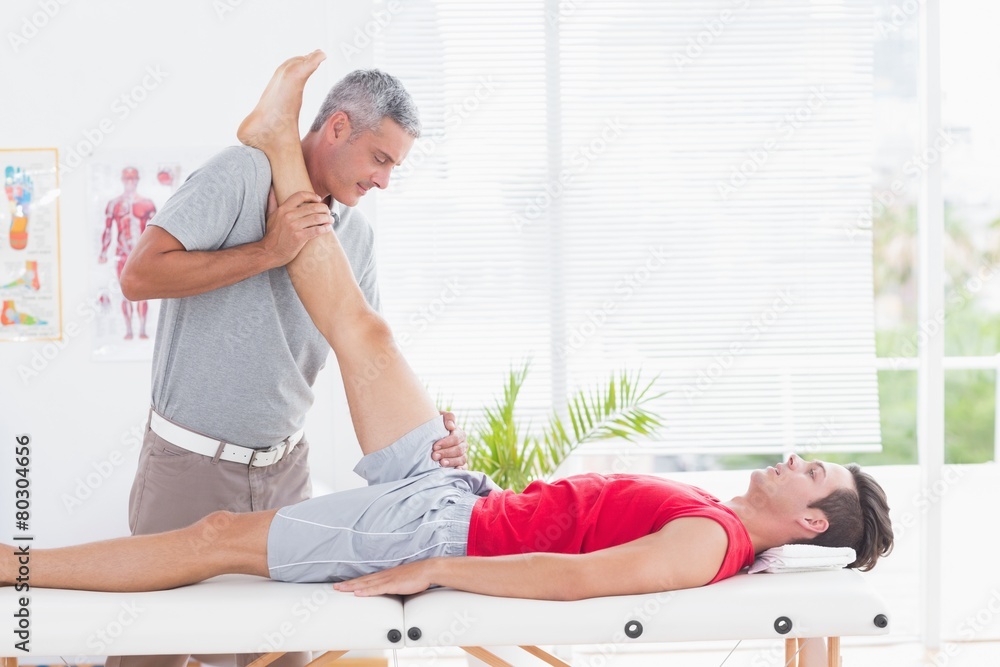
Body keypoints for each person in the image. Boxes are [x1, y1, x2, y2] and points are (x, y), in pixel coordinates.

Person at [2, 52, 893, 608]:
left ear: (811, 519)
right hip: (463, 496)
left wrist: (435, 569)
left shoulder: (715, 540)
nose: (794, 457)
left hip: (440, 534)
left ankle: (14, 565)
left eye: (811, 470)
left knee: (213, 542)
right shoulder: (719, 514)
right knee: (368, 335)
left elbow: (574, 577)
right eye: (379, 159)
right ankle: (277, 137)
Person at [110, 57, 468, 667]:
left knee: (278, 655)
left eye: (394, 167)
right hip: (189, 468)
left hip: (284, 475)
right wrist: (267, 251)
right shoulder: (240, 176)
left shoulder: (355, 237)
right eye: (380, 159)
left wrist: (426, 435)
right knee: (151, 652)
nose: (385, 181)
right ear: (337, 128)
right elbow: (138, 276)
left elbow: (366, 353)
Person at [99, 166, 157, 340]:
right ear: (122, 180)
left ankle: (142, 330)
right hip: (122, 253)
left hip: (142, 254)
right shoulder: (114, 204)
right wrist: (103, 252)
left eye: (133, 178)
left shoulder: (147, 203)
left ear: (137, 180)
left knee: (143, 292)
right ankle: (129, 330)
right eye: (127, 179)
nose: (130, 182)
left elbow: (157, 231)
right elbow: (107, 230)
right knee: (125, 292)